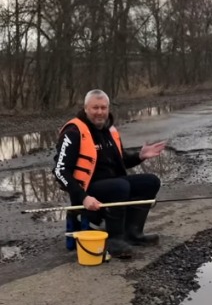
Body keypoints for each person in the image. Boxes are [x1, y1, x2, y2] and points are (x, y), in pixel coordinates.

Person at [53, 89, 168, 259]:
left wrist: (140, 156)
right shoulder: (73, 132)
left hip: (113, 186)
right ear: (86, 109)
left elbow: (120, 161)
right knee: (120, 186)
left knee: (151, 182)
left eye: (103, 108)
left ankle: (133, 233)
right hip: (86, 191)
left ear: (108, 109)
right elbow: (60, 170)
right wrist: (83, 197)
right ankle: (115, 240)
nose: (100, 112)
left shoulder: (109, 131)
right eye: (95, 108)